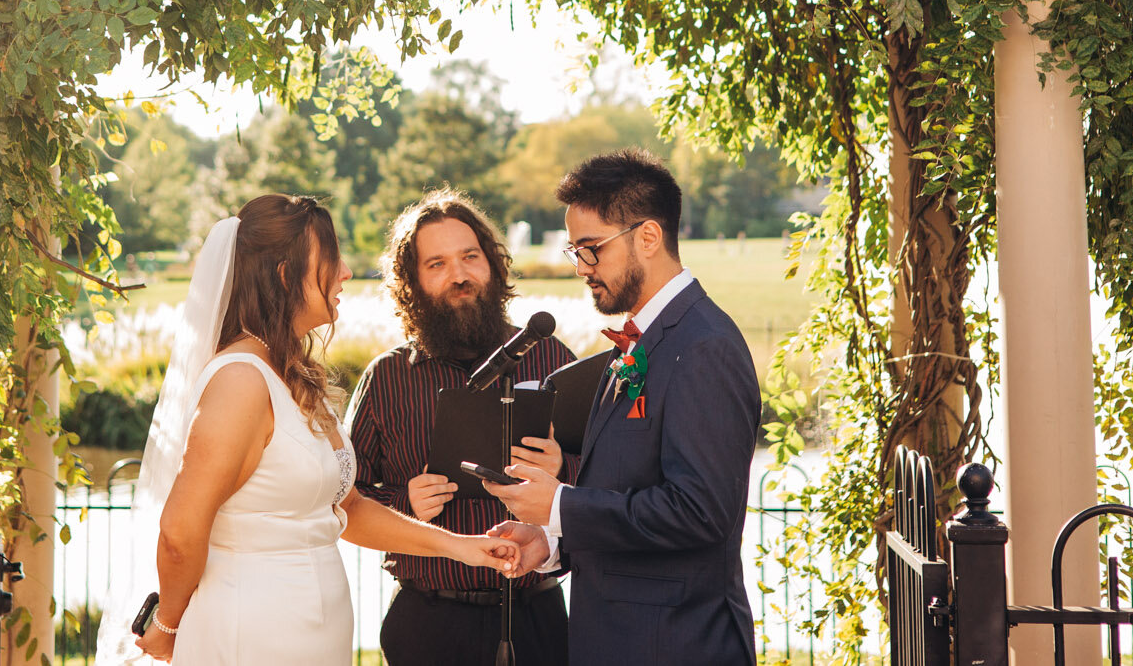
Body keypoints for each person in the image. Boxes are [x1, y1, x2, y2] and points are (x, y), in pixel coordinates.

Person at [108, 193, 520, 665]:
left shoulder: (293, 373)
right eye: (331, 260)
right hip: (254, 630)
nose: (345, 272)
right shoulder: (241, 380)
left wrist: (462, 548)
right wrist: (167, 625)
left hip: (313, 629)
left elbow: (350, 508)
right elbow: (180, 532)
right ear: (287, 275)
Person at [483, 149, 758, 666]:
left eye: (593, 249)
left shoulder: (705, 346)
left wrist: (561, 505)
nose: (582, 268)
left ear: (648, 237)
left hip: (676, 645)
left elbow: (700, 514)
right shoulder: (637, 342)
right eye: (574, 250)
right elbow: (627, 490)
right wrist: (553, 540)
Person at [346, 189, 575, 666]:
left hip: (539, 618)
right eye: (437, 264)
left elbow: (613, 479)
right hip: (429, 626)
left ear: (492, 264)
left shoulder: (552, 358)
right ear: (411, 283)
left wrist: (564, 467)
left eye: (470, 257)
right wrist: (403, 504)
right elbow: (342, 502)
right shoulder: (386, 378)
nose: (460, 275)